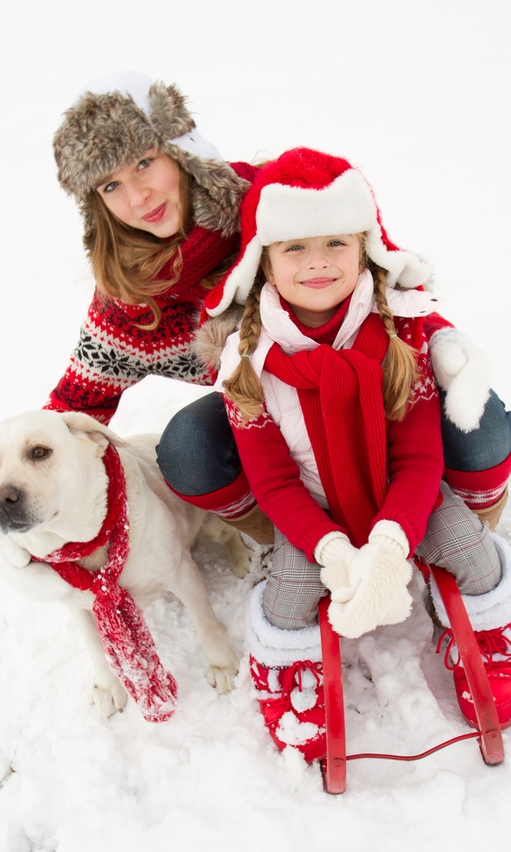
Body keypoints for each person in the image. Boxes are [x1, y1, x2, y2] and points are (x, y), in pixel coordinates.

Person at [47, 72, 510, 547]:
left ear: (179, 150)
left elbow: (380, 268)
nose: (137, 196)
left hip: (374, 375)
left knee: (480, 416)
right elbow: (74, 404)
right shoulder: (129, 300)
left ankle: (465, 532)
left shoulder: (271, 199)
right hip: (278, 421)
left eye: (145, 163)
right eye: (110, 186)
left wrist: (439, 337)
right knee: (189, 445)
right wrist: (24, 480)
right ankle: (295, 539)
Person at [207, 147, 511, 762]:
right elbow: (273, 481)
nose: (318, 262)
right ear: (265, 264)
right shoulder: (248, 362)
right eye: (295, 247)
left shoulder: (399, 333)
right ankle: (290, 673)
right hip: (313, 508)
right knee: (291, 597)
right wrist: (330, 548)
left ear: (365, 248)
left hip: (401, 496)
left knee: (474, 556)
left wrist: (393, 539)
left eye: (336, 244)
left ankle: (482, 637)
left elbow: (419, 459)